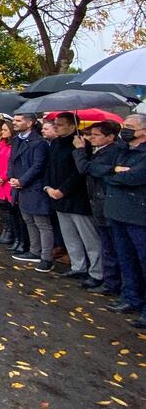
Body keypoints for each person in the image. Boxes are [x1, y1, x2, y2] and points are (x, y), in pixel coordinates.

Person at [46, 113, 102, 284]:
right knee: (69, 236)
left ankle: (97, 272)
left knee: (89, 237)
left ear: (72, 126)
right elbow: (50, 167)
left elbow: (79, 172)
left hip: (77, 197)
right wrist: (48, 187)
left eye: (60, 124)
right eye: (55, 124)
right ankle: (78, 266)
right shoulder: (55, 143)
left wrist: (63, 190)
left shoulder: (81, 144)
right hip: (57, 195)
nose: (56, 127)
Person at [103, 114, 146, 328]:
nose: (124, 130)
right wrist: (113, 172)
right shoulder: (122, 150)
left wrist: (113, 175)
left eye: (129, 126)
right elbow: (100, 169)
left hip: (138, 215)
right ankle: (131, 298)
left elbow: (134, 177)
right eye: (123, 125)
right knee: (126, 259)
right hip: (117, 212)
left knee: (142, 260)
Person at [73, 120, 123, 293]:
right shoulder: (98, 150)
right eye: (90, 134)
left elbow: (85, 168)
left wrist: (80, 150)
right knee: (106, 244)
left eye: (96, 135)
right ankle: (108, 280)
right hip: (97, 201)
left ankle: (112, 283)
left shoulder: (112, 152)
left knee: (111, 247)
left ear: (110, 137)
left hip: (106, 202)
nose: (91, 138)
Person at [9, 113, 53, 272]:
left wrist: (22, 180)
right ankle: (34, 251)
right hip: (19, 186)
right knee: (29, 220)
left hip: (34, 187)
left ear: (29, 123)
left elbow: (38, 165)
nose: (14, 123)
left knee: (42, 223)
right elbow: (12, 161)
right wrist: (12, 177)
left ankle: (46, 257)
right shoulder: (16, 140)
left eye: (18, 120)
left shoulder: (39, 143)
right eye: (14, 120)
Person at [0, 120, 17, 245]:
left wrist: (3, 177)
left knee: (10, 209)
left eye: (5, 130)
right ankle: (6, 230)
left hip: (6, 181)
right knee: (3, 208)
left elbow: (10, 164)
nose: (2, 132)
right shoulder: (2, 144)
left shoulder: (13, 146)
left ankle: (11, 233)